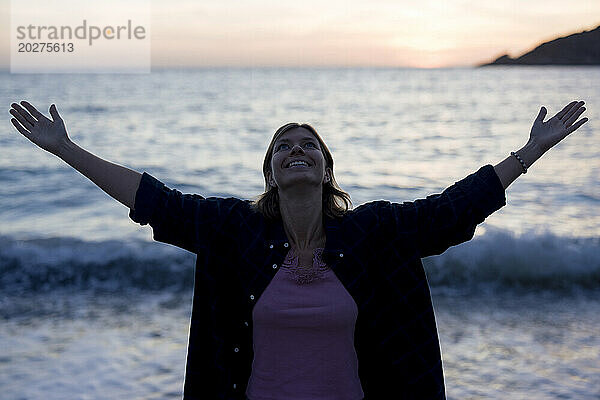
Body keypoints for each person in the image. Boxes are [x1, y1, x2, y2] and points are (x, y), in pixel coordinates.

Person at [9, 100, 588, 400]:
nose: (296, 150)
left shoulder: (372, 231)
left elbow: (451, 211)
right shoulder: (235, 230)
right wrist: (68, 150)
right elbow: (156, 202)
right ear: (269, 172)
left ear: (327, 167)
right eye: (283, 146)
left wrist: (529, 151)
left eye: (308, 144)